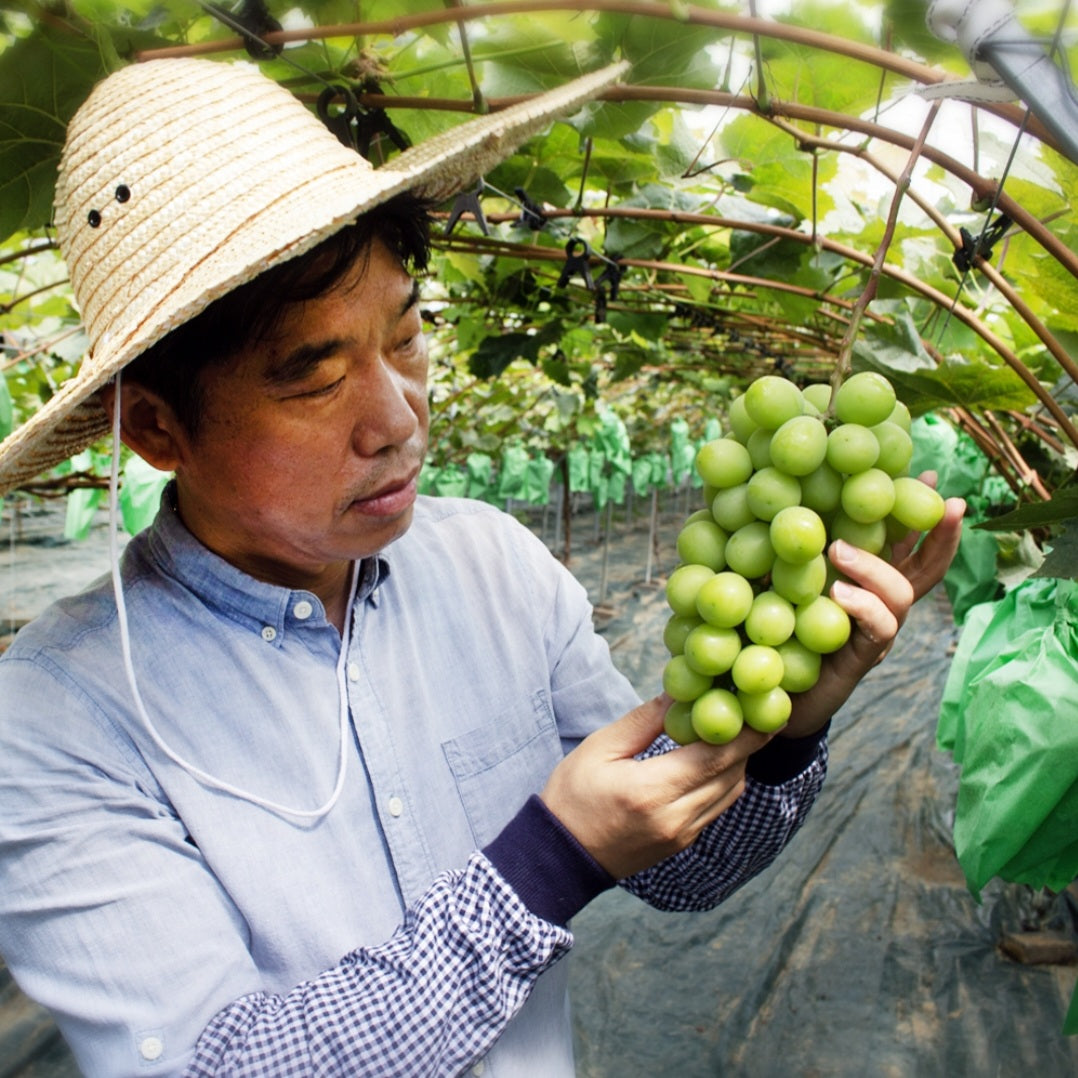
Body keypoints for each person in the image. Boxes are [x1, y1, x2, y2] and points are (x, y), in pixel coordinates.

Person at [0, 57, 965, 1078]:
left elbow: (684, 873)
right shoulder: (55, 722)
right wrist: (549, 860)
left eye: (409, 335)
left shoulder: (495, 567)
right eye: (313, 375)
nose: (397, 414)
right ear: (157, 428)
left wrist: (780, 734)